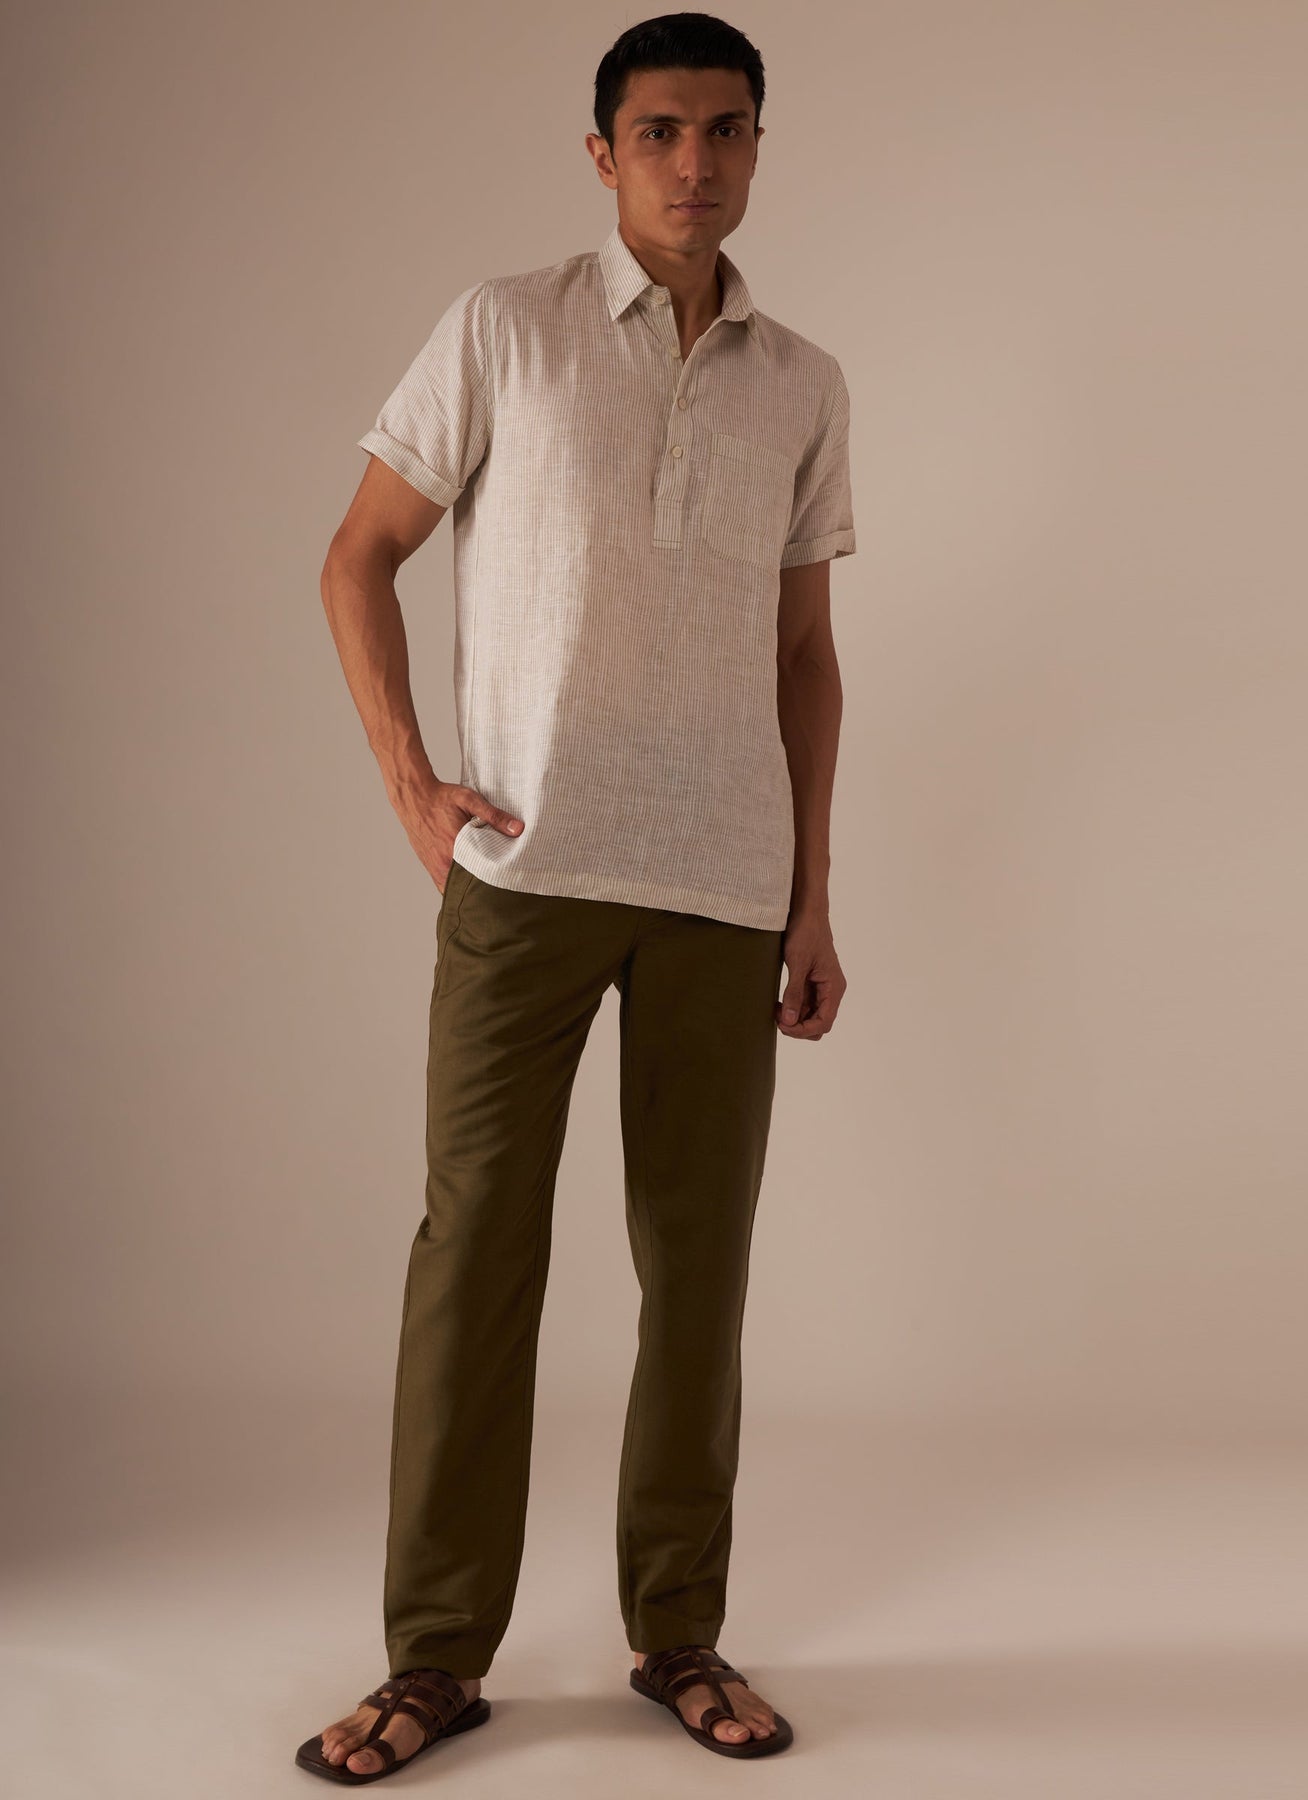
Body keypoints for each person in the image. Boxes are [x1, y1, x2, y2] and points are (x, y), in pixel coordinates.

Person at [296, 11, 855, 1783]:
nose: (697, 161)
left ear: (757, 149)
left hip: (721, 888)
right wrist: (412, 781)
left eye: (728, 129)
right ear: (603, 153)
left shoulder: (803, 382)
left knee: (697, 1274)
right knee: (476, 1256)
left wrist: (812, 899)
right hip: (524, 871)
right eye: (662, 130)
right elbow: (359, 557)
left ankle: (677, 1632)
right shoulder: (503, 329)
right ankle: (434, 1659)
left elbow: (806, 657)